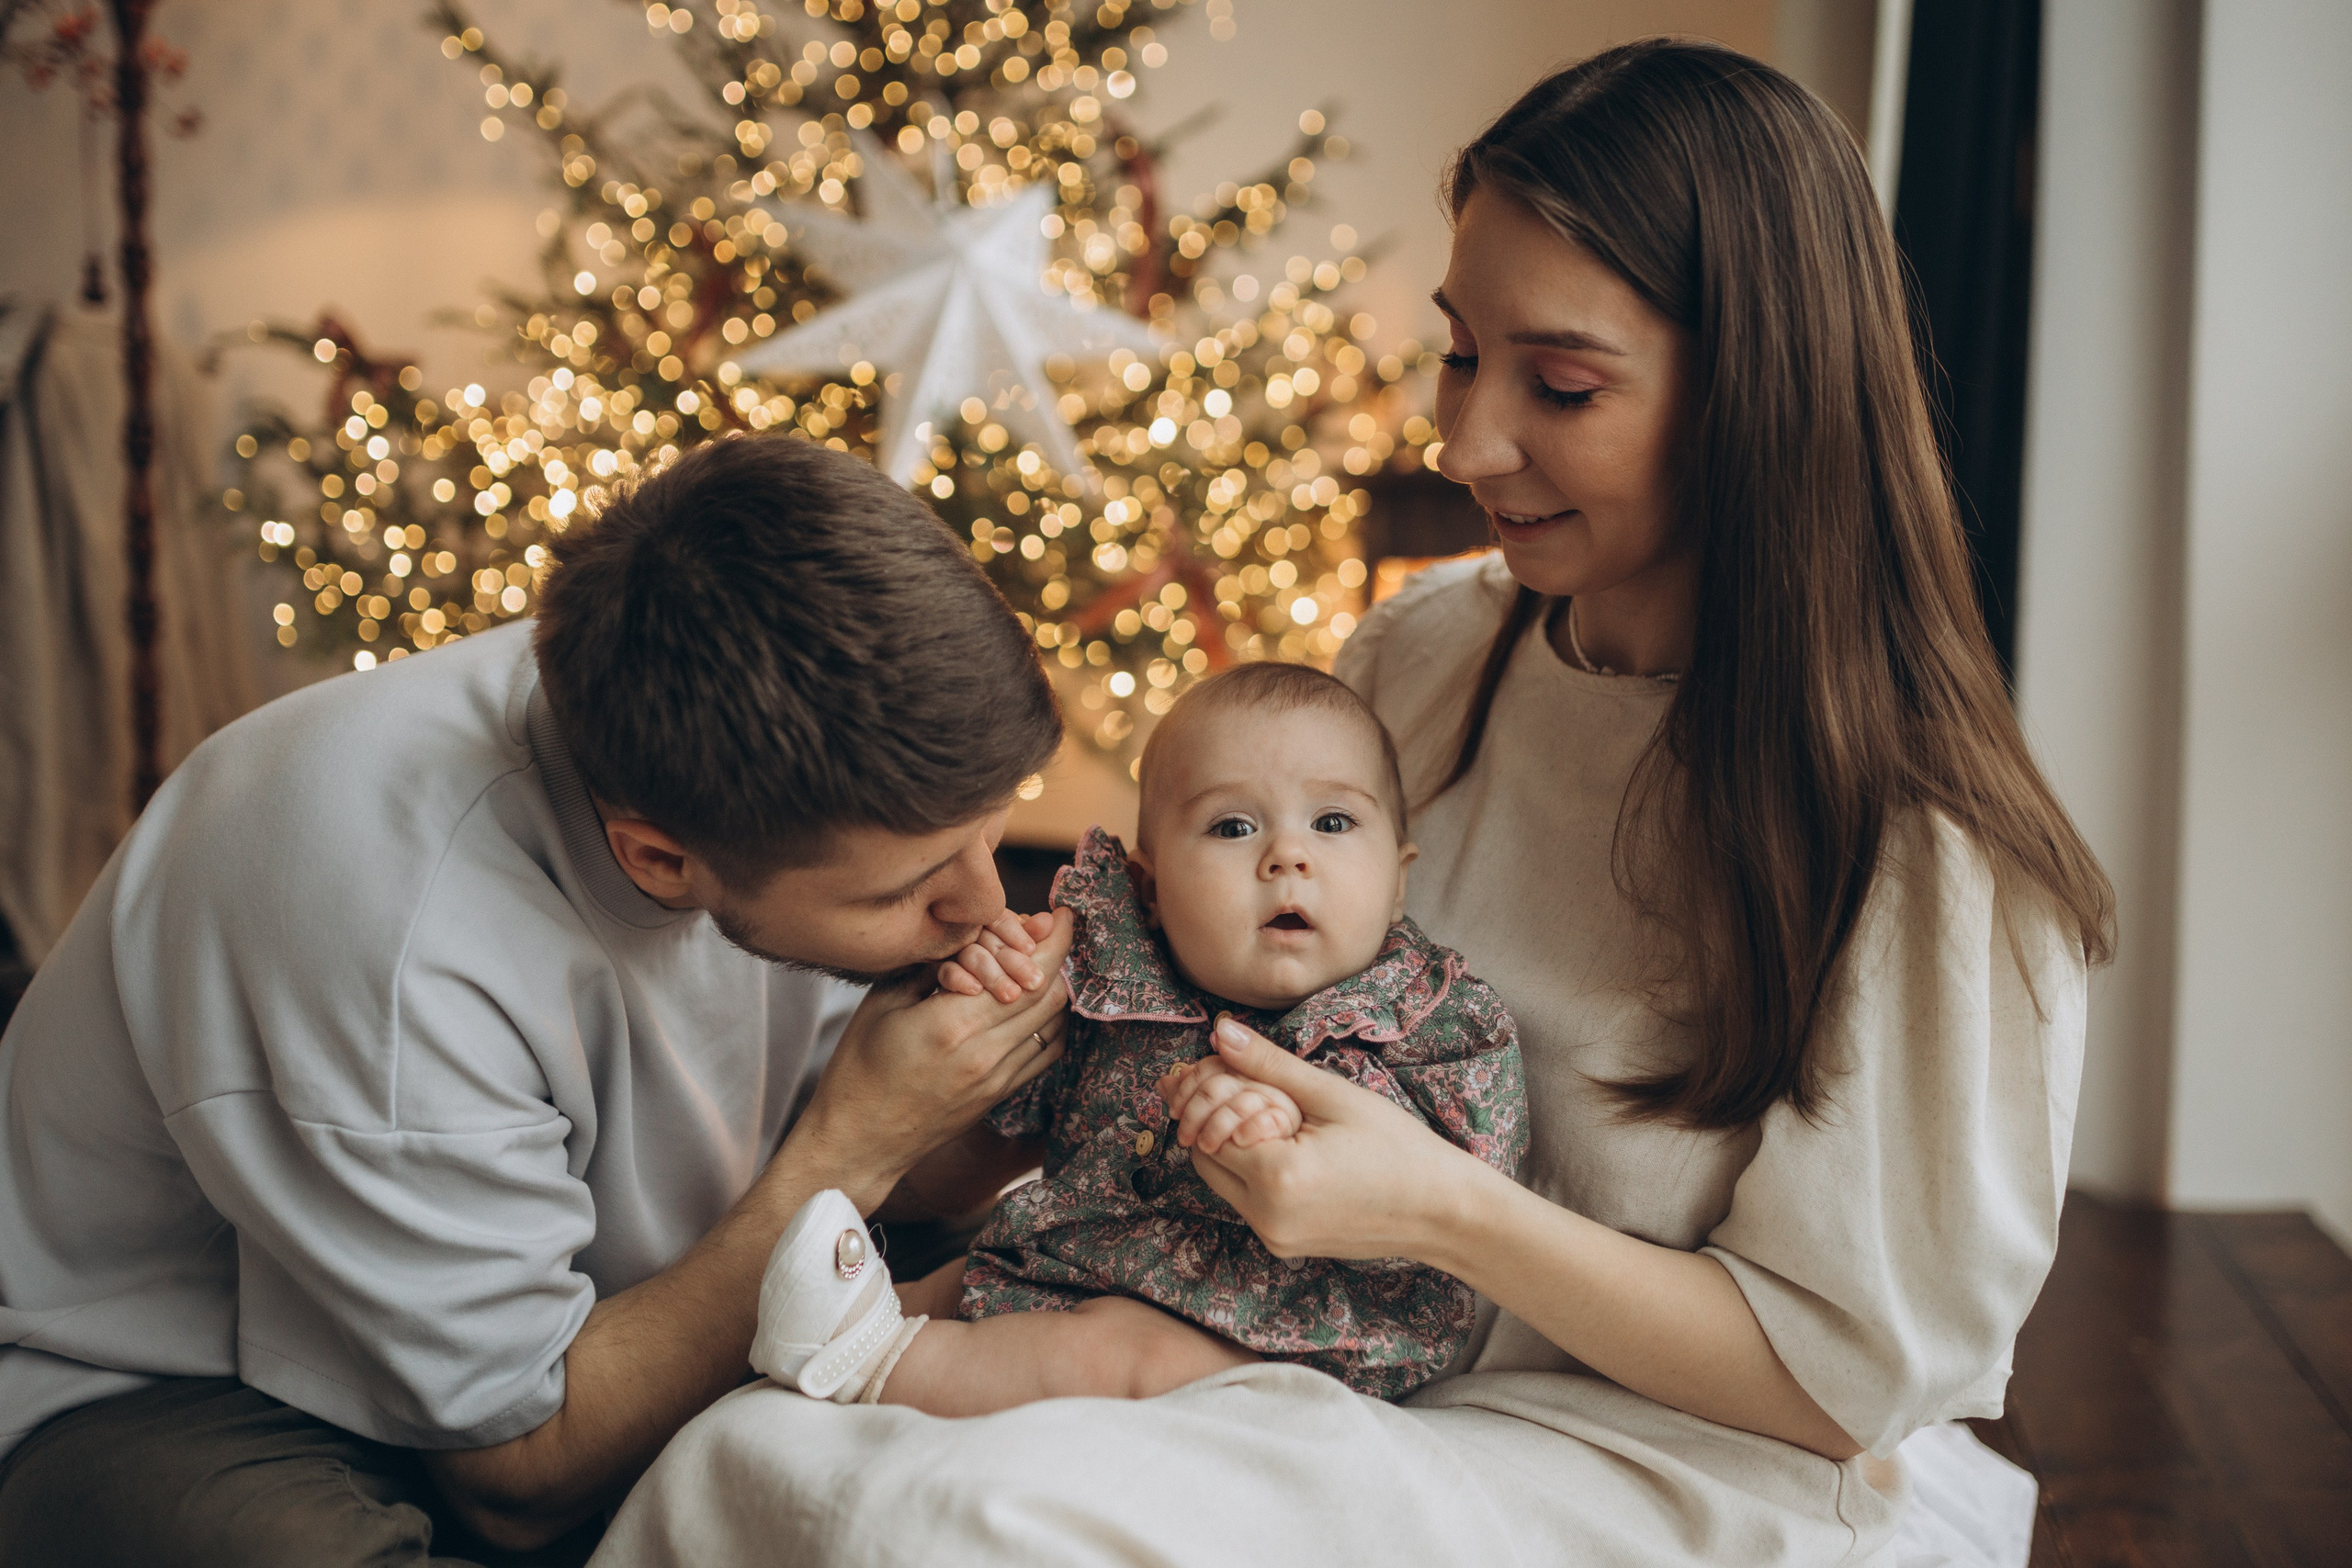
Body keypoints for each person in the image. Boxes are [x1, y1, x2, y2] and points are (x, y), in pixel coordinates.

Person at [591, 39, 2111, 1568]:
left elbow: (1845, 1382)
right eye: (1460, 354)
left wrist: (1442, 1211)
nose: (1466, 444)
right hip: (1307, 1350)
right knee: (750, 1455)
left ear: (1756, 396)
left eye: (1561, 384)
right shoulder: (1428, 653)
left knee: (957, 1523)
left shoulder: (1921, 846)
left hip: (1651, 1449)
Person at [0, 434, 1080, 1566]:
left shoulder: (745, 733)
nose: (980, 903)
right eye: (908, 889)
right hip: (173, 1385)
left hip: (607, 1286)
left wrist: (980, 1120)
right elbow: (517, 1475)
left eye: (996, 822)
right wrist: (857, 1144)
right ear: (660, 860)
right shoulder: (399, 937)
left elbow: (855, 1175)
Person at [752, 662, 1525, 1414]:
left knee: (1125, 1356)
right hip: (1070, 1259)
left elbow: (1466, 1194)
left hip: (1271, 1329)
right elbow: (984, 1100)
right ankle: (832, 1339)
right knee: (960, 1280)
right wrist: (989, 979)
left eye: (1332, 822)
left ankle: (870, 1363)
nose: (1288, 856)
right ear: (1150, 889)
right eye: (1233, 826)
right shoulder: (1109, 983)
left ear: (1398, 879)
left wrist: (1290, 1125)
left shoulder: (1432, 1019)